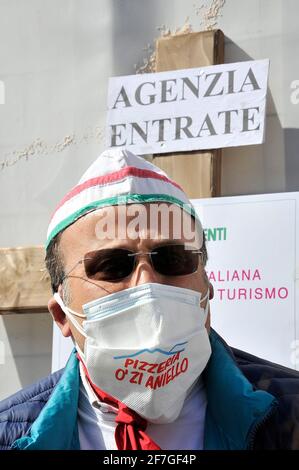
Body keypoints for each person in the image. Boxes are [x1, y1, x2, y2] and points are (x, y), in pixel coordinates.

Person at [0, 148, 298, 450]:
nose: (148, 286)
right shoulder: (9, 435)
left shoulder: (291, 413)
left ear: (207, 292)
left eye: (172, 260)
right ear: (61, 315)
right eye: (112, 266)